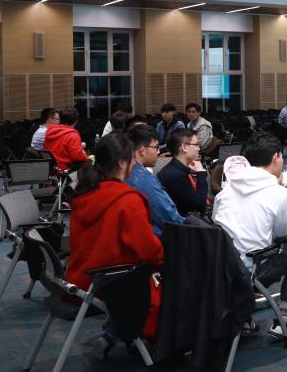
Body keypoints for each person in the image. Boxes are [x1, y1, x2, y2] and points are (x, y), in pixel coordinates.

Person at [64, 133, 164, 350]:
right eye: (132, 159)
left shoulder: (85, 194)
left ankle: (112, 334)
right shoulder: (127, 200)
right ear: (121, 163)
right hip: (108, 283)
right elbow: (149, 252)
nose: (134, 164)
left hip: (78, 277)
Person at [212, 132, 287, 338]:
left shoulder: (225, 190)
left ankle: (243, 318)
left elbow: (216, 226)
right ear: (276, 157)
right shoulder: (278, 193)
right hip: (248, 273)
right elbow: (282, 235)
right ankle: (284, 321)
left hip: (218, 270)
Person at [125, 124, 184, 237]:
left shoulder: (125, 172)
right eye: (156, 147)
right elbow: (169, 217)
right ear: (142, 150)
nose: (158, 152)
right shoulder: (142, 179)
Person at [157, 129, 209, 216]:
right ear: (184, 147)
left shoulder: (175, 168)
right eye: (196, 145)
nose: (199, 148)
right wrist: (201, 173)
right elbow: (199, 204)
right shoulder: (176, 175)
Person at [44, 107, 90, 173]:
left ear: (60, 119)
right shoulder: (72, 134)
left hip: (51, 169)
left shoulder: (49, 131)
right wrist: (87, 157)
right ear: (76, 121)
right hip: (66, 169)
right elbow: (77, 157)